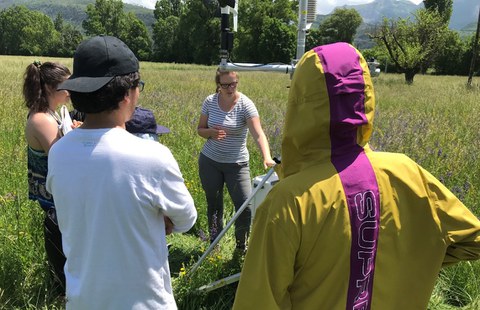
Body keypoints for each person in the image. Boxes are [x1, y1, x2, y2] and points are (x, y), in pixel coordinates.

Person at [233, 42, 480, 309]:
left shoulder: (289, 200)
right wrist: (411, 258)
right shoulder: (408, 172)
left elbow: (256, 301)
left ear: (299, 103)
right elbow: (472, 242)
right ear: (366, 97)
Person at [46, 35, 197, 309]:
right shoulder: (152, 156)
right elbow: (186, 219)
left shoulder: (58, 153)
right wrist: (158, 218)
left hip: (83, 300)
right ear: (128, 93)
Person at [197, 70, 275, 251]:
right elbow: (200, 129)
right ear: (218, 84)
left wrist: (267, 156)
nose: (230, 88)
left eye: (233, 84)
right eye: (225, 85)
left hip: (237, 165)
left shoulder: (245, 105)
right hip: (210, 161)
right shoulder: (210, 101)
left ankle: (241, 246)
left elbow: (258, 133)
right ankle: (214, 245)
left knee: (244, 206)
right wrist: (211, 133)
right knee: (214, 204)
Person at [23, 60, 72, 294]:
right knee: (61, 246)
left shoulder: (52, 113)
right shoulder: (42, 119)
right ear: (51, 88)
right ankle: (61, 289)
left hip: (55, 189)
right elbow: (60, 156)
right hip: (52, 193)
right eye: (67, 85)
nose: (71, 90)